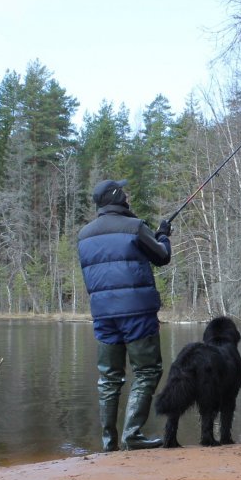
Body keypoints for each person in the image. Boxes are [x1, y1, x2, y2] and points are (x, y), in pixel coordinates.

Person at [78, 179, 172, 451]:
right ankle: (132, 435)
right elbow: (162, 256)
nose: (128, 193)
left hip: (103, 315)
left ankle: (109, 442)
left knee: (109, 377)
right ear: (118, 197)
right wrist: (163, 234)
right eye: (124, 191)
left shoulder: (83, 234)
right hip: (137, 313)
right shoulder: (134, 226)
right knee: (147, 370)